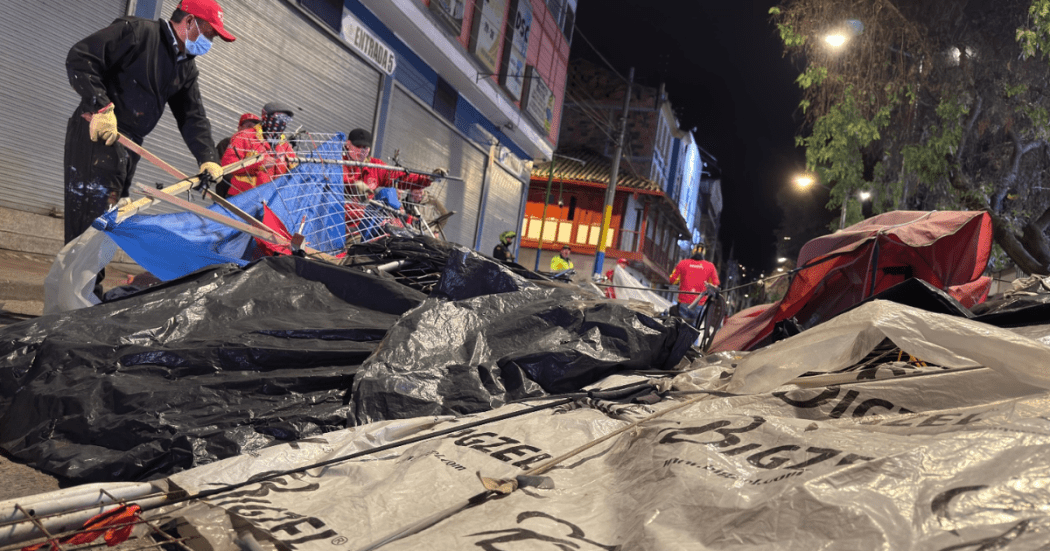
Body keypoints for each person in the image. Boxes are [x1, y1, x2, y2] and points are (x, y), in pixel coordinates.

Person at [64, 0, 235, 244]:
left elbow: (192, 114)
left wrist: (208, 157)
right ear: (189, 21)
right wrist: (101, 107)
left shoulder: (185, 65)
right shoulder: (137, 32)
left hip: (130, 144)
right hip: (97, 133)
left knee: (109, 221)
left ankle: (91, 283)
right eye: (209, 34)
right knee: (89, 221)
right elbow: (81, 58)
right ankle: (74, 282)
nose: (210, 43)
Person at [222, 102, 299, 196]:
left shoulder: (285, 146)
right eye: (279, 117)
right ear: (266, 117)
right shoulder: (245, 137)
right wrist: (258, 165)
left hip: (269, 202)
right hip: (241, 198)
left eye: (286, 119)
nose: (282, 122)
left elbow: (296, 171)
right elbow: (227, 166)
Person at [342, 128, 445, 193]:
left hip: (362, 220)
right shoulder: (338, 162)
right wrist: (353, 184)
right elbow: (333, 176)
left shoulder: (375, 167)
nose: (362, 151)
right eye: (358, 146)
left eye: (365, 147)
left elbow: (401, 177)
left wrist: (429, 178)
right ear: (348, 144)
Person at [669, 243, 720, 325]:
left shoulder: (683, 263)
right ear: (704, 253)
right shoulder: (710, 266)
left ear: (693, 251)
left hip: (684, 303)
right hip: (699, 304)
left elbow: (672, 280)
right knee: (694, 330)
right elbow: (715, 285)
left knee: (681, 329)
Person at [215, 112, 260, 196]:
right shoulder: (227, 143)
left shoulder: (257, 148)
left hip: (248, 195)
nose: (251, 131)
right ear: (239, 128)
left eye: (254, 128)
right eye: (249, 126)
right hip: (227, 193)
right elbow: (221, 169)